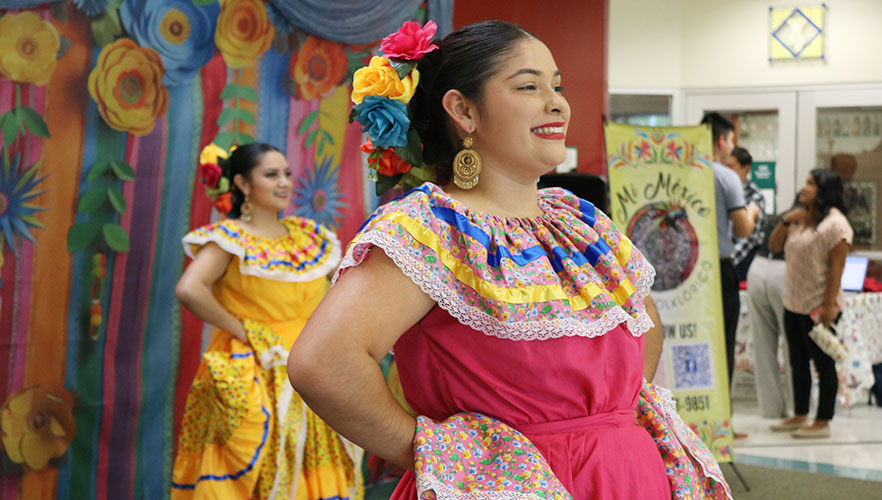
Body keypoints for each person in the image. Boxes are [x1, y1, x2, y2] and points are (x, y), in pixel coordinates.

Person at [289, 21, 731, 499]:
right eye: (528, 86)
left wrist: (602, 423)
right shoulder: (428, 228)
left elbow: (644, 326)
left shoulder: (579, 220)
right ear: (463, 110)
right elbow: (324, 363)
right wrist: (447, 458)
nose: (556, 102)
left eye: (556, 86)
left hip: (628, 476)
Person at [170, 143, 363, 499]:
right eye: (271, 175)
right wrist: (245, 331)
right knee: (257, 458)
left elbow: (350, 288)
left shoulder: (308, 237)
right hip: (256, 364)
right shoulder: (230, 239)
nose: (284, 183)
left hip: (313, 364)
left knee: (316, 460)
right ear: (243, 183)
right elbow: (189, 289)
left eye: (287, 174)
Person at [768, 169, 852, 439]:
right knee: (797, 362)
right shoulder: (800, 219)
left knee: (823, 363)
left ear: (824, 190)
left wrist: (829, 306)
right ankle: (800, 413)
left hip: (820, 305)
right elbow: (774, 245)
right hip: (794, 301)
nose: (804, 187)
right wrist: (786, 219)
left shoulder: (836, 226)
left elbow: (837, 269)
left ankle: (823, 420)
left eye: (811, 183)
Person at [700, 113, 761, 386]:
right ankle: (721, 423)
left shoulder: (683, 171)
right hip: (718, 269)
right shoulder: (726, 177)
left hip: (685, 270)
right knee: (722, 342)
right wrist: (753, 212)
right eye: (732, 140)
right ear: (722, 140)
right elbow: (743, 229)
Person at [725, 146, 766, 283]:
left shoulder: (755, 197)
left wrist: (727, 262)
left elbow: (747, 239)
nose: (726, 171)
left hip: (741, 262)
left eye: (731, 166)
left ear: (746, 168)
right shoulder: (721, 190)